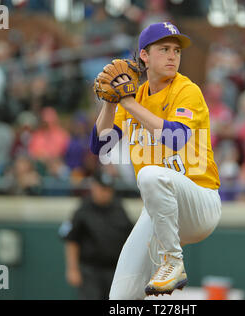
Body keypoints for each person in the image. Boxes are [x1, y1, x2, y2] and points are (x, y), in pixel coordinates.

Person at [90, 22, 222, 299]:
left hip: (198, 200)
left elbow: (175, 138)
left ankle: (173, 261)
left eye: (176, 50)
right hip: (159, 212)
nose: (173, 55)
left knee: (150, 174)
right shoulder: (135, 97)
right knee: (121, 298)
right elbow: (101, 146)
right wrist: (110, 102)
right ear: (144, 56)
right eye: (164, 49)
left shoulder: (186, 90)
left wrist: (128, 103)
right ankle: (167, 263)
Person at [59, 170, 133, 300]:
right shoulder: (83, 210)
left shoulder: (118, 208)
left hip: (114, 270)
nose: (105, 193)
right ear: (94, 187)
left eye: (108, 189)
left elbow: (130, 238)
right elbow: (71, 240)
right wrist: (72, 268)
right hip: (90, 270)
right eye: (102, 188)